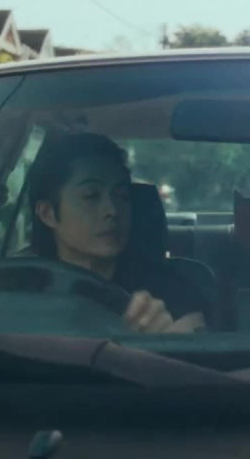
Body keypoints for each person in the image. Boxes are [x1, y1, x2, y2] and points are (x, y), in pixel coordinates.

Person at [29, 132, 207, 334]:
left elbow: (198, 341)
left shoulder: (169, 291)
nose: (112, 210)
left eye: (122, 196)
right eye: (91, 196)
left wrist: (166, 340)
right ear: (48, 213)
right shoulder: (20, 289)